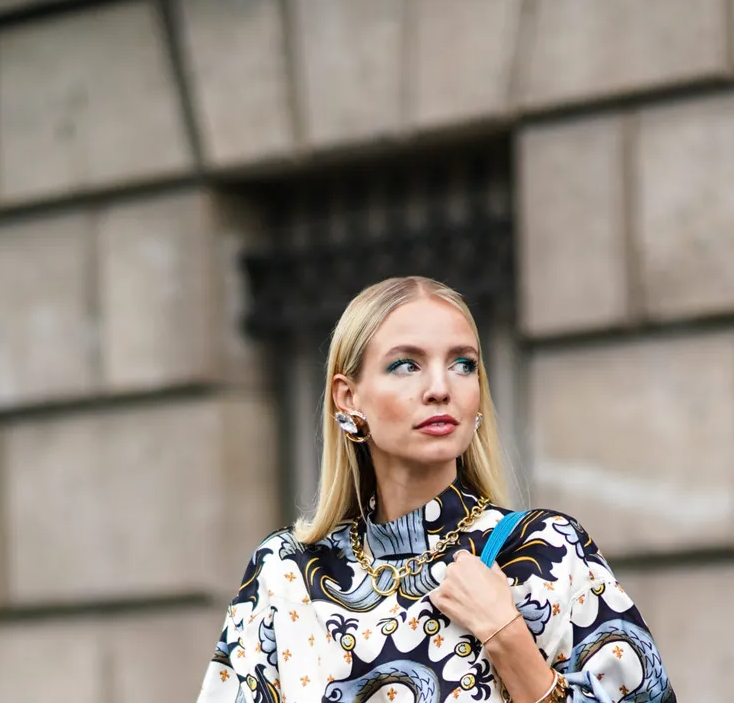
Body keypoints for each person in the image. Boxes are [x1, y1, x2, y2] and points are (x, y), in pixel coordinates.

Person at [197, 276, 676, 703]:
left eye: (463, 364)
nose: (440, 388)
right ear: (348, 397)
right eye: (406, 365)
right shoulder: (287, 573)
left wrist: (509, 639)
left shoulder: (542, 551)